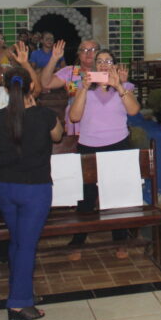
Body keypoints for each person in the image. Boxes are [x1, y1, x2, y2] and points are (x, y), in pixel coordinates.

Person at [0, 66, 64, 320]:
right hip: (34, 188)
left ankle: (22, 290)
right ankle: (19, 303)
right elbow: (58, 136)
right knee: (26, 245)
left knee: (17, 241)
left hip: (3, 186)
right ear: (31, 87)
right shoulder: (45, 115)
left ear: (6, 89)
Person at [67, 48, 141, 258]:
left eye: (108, 61)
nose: (103, 64)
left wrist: (118, 86)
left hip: (117, 146)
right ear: (94, 66)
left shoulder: (125, 87)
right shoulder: (83, 87)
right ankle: (78, 241)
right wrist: (83, 88)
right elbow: (74, 117)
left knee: (116, 195)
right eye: (99, 61)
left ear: (114, 66)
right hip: (89, 146)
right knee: (86, 197)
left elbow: (134, 110)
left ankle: (120, 241)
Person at [41, 39, 100, 135]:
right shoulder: (70, 72)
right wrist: (54, 59)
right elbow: (46, 83)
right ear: (79, 54)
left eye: (93, 50)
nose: (88, 53)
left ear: (99, 53)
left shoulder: (105, 73)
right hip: (76, 124)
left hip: (99, 123)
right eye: (84, 50)